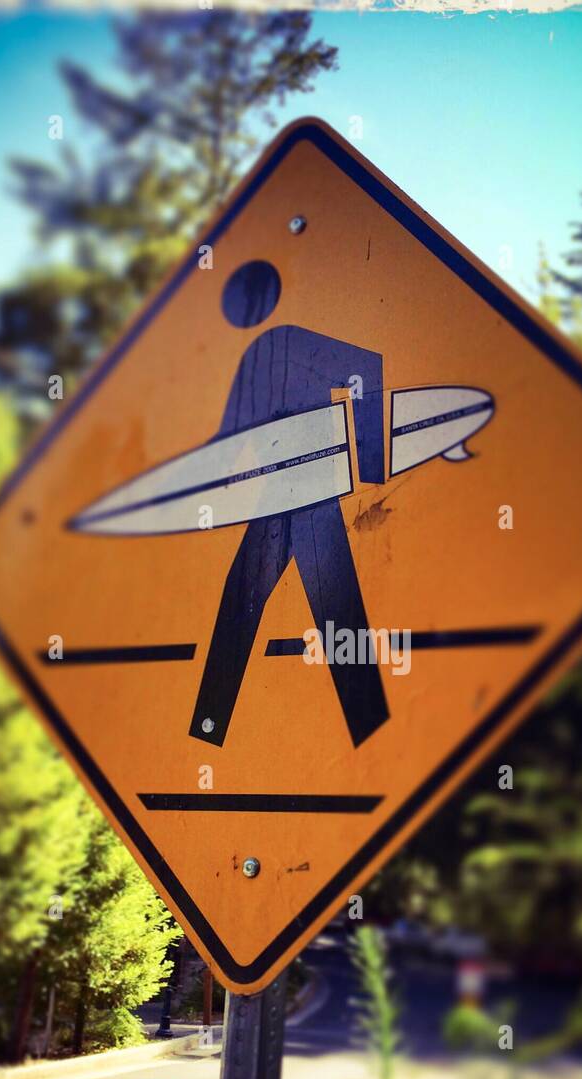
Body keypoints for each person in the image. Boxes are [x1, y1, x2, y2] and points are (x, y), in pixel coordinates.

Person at [190, 258, 390, 749]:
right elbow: (229, 437)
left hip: (315, 490)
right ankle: (369, 728)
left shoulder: (297, 342)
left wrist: (369, 469)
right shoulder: (253, 358)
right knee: (268, 599)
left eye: (239, 300)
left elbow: (368, 368)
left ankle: (371, 729)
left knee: (329, 606)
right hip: (277, 495)